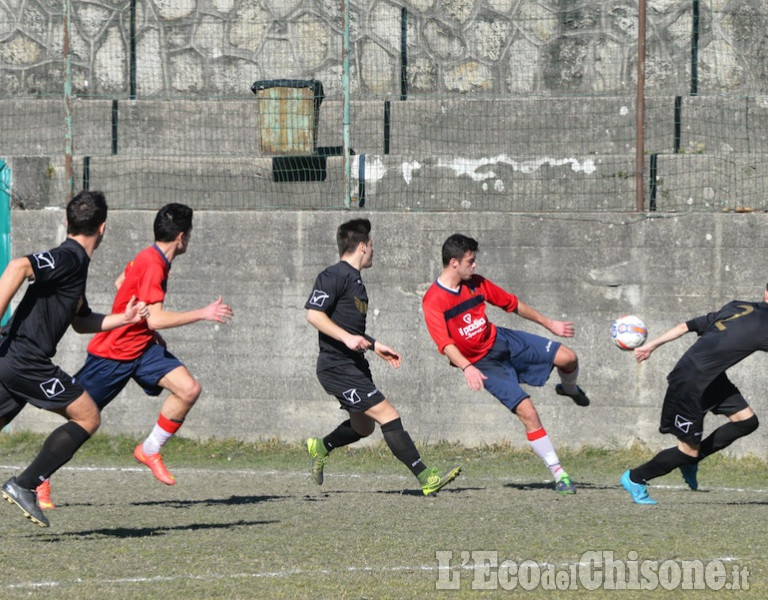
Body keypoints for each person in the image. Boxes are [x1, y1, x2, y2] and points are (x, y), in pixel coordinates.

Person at [36, 203, 233, 510]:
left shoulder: (151, 259)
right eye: (190, 233)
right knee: (81, 418)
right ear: (182, 237)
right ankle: (39, 476)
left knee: (188, 389)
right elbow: (155, 317)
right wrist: (203, 313)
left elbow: (122, 283)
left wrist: (147, 330)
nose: (189, 239)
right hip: (113, 353)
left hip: (143, 348)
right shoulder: (153, 263)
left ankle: (150, 449)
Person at [0, 191, 149, 527]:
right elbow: (19, 265)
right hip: (26, 358)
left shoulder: (75, 268)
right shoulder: (69, 258)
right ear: (103, 228)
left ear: (68, 222)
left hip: (10, 356)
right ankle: (24, 484)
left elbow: (82, 321)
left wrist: (124, 319)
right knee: (88, 417)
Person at [422, 233, 589, 494]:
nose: (474, 265)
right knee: (528, 412)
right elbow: (445, 344)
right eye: (470, 261)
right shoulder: (433, 300)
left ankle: (569, 388)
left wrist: (549, 323)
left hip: (502, 341)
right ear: (453, 263)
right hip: (484, 364)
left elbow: (511, 304)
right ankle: (560, 474)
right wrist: (467, 367)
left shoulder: (476, 283)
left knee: (568, 357)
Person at [304, 218, 461, 496]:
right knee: (389, 415)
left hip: (354, 364)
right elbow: (314, 314)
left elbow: (349, 328)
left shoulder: (356, 282)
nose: (374, 251)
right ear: (362, 246)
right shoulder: (334, 275)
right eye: (372, 245)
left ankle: (321, 446)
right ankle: (425, 477)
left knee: (363, 427)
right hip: (336, 367)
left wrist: (375, 345)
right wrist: (348, 339)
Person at [620, 288, 763, 505]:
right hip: (690, 381)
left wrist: (651, 345)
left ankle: (693, 460)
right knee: (687, 451)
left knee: (746, 422)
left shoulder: (738, 306)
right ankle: (635, 477)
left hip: (710, 377)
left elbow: (684, 326)